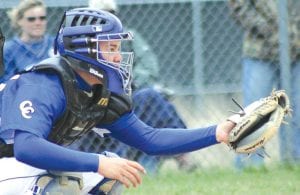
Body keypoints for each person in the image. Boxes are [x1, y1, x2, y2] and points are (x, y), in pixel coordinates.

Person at [0, 8, 235, 194]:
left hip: (12, 168)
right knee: (67, 178)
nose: (118, 56)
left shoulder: (96, 90)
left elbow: (151, 140)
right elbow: (27, 147)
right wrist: (98, 162)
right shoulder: (44, 84)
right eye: (111, 47)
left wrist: (217, 132)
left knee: (107, 177)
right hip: (8, 163)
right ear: (84, 49)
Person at [69, 0, 197, 174]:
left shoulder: (129, 36)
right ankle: (180, 153)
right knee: (152, 101)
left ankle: (170, 154)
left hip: (130, 94)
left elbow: (150, 67)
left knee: (150, 97)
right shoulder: (85, 43)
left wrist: (129, 81)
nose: (109, 18)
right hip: (97, 100)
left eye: (111, 12)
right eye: (102, 15)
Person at [228, 0, 300, 168]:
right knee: (254, 113)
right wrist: (268, 30)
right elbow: (238, 5)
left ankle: (294, 162)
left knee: (295, 110)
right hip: (259, 51)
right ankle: (251, 165)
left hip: (296, 51)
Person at [1, 0, 55, 82]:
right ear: (19, 21)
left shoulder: (55, 43)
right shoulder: (9, 50)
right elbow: (6, 83)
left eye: (42, 18)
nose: (38, 23)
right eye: (31, 19)